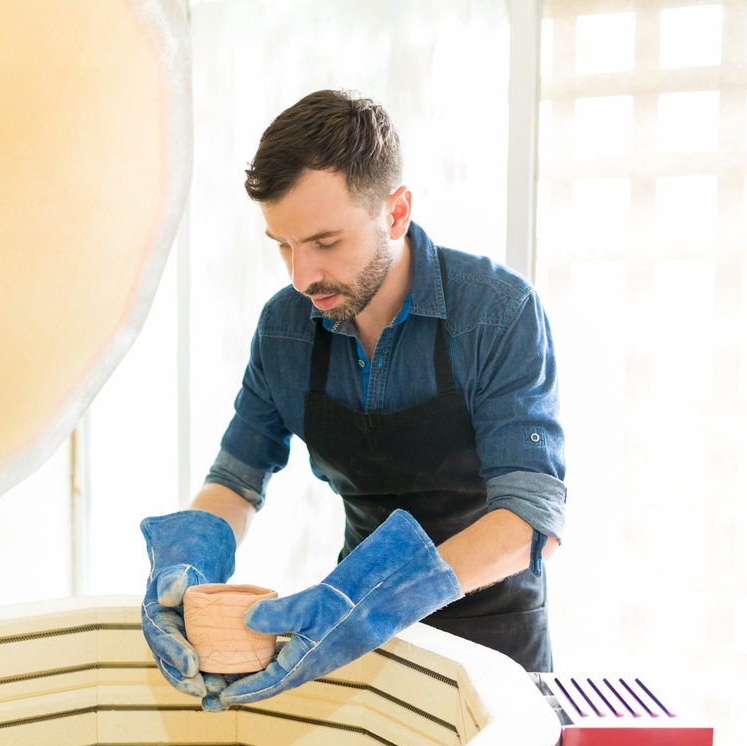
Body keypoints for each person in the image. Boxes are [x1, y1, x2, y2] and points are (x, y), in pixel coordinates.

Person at [141, 90, 565, 712]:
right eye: (282, 245)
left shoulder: (498, 314)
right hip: (356, 644)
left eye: (324, 241)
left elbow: (532, 520)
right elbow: (237, 477)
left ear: (396, 213)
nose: (301, 276)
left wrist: (377, 596)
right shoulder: (286, 329)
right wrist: (191, 561)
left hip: (496, 645)